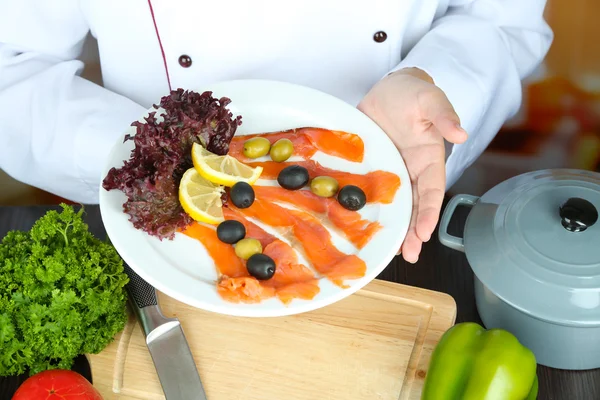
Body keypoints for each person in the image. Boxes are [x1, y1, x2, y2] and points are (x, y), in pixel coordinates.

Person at [0, 0, 552, 263]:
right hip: (167, 248)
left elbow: (500, 21)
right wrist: (145, 161)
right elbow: (12, 59)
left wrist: (437, 80)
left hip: (392, 208)